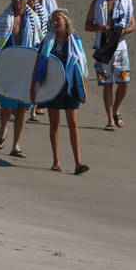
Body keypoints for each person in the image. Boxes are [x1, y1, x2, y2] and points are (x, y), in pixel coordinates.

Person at [30, 9, 90, 175]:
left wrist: (83, 88)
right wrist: (33, 87)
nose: (54, 23)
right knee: (55, 124)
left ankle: (78, 163)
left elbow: (82, 65)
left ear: (66, 22)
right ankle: (56, 161)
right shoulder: (47, 41)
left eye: (58, 20)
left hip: (70, 87)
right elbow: (38, 64)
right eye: (53, 20)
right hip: (53, 87)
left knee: (73, 125)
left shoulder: (75, 40)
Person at [0, 0, 39, 157]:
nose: (17, 1)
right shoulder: (3, 19)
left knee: (23, 108)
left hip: (26, 70)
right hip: (6, 69)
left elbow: (40, 45)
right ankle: (3, 129)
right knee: (7, 108)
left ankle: (16, 145)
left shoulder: (34, 20)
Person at [85, 0, 136, 131]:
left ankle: (115, 109)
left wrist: (124, 31)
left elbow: (133, 24)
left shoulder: (124, 2)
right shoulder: (97, 3)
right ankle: (109, 119)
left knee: (124, 82)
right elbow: (88, 26)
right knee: (107, 84)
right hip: (103, 47)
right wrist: (102, 28)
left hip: (120, 47)